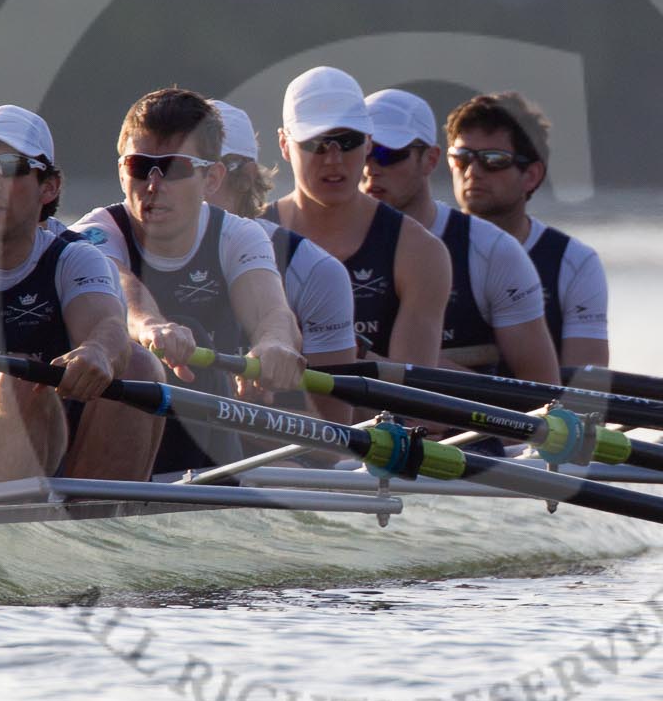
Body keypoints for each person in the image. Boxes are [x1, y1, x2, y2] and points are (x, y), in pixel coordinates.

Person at [0, 105, 165, 484]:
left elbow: (109, 324)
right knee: (16, 379)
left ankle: (96, 531)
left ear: (49, 187)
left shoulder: (75, 257)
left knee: (139, 366)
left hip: (35, 452)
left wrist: (97, 352)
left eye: (11, 167)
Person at [73, 87, 306, 472]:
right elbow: (121, 284)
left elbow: (272, 312)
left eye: (174, 168)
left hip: (208, 441)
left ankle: (213, 497)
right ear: (120, 171)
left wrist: (275, 346)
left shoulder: (238, 236)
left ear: (212, 178)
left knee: (194, 340)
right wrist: (152, 326)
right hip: (106, 428)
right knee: (170, 344)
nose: (153, 184)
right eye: (139, 166)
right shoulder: (94, 234)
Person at [359, 88, 561, 384]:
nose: (371, 167)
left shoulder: (494, 252)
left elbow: (546, 395)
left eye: (389, 154)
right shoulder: (310, 243)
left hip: (462, 429)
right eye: (361, 150)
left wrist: (394, 364)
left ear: (430, 159)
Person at [265, 67, 451, 368]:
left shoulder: (420, 252)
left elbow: (413, 402)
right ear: (285, 145)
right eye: (316, 142)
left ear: (368, 142)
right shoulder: (247, 235)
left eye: (348, 141)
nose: (334, 159)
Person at [209, 99, 357, 423]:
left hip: (262, 467)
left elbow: (335, 440)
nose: (176, 187)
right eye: (168, 169)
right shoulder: (106, 243)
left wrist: (232, 419)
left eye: (206, 172)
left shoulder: (316, 271)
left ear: (246, 177)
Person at [446, 93, 611, 370]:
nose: (473, 171)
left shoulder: (575, 264)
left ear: (532, 175)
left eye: (493, 159)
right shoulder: (422, 250)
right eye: (461, 158)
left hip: (538, 411)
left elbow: (584, 395)